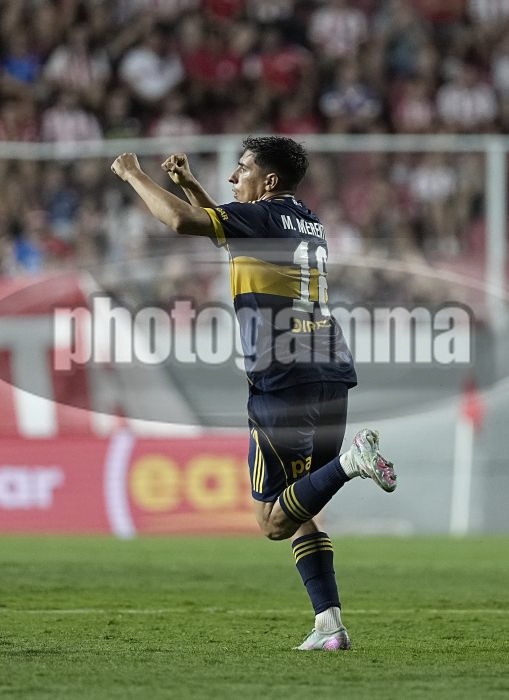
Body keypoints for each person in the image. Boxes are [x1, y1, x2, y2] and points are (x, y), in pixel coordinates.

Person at [111, 136, 397, 651]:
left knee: (271, 521)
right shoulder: (307, 222)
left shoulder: (261, 217)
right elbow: (228, 234)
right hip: (330, 369)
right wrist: (191, 183)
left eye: (241, 169)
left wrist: (134, 174)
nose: (232, 177)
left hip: (282, 375)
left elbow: (180, 222)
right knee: (302, 504)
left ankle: (353, 462)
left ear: (268, 181)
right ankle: (329, 624)